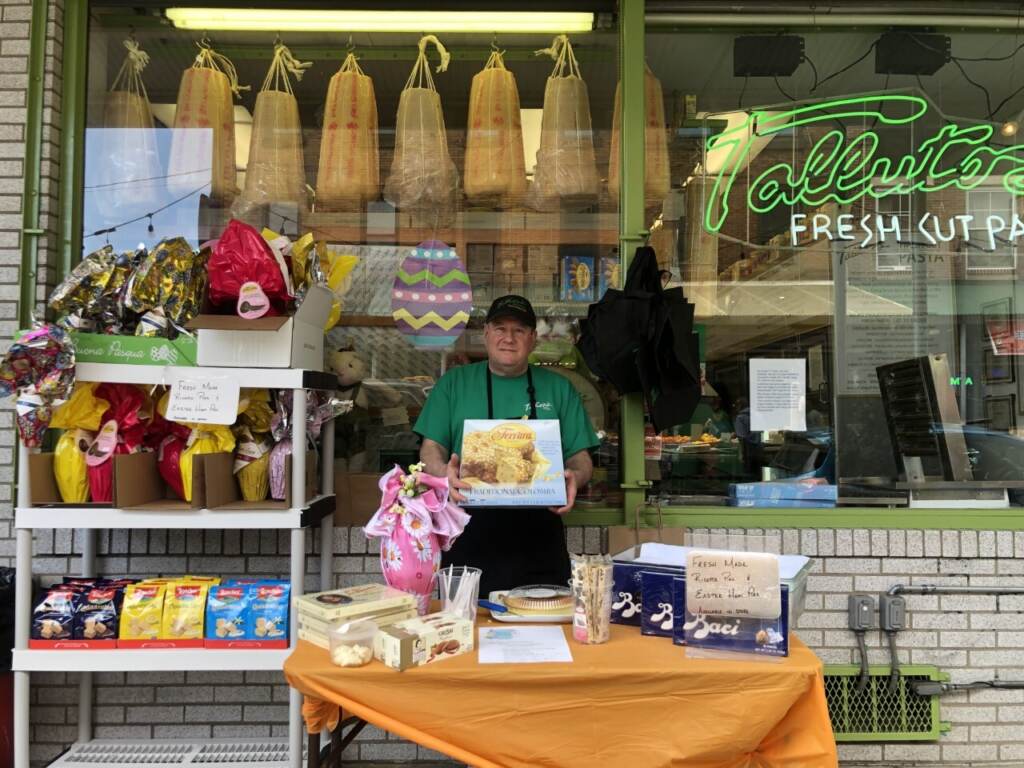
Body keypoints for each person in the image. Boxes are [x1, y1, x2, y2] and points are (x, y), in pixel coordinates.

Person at [415, 295, 600, 595]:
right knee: (466, 631)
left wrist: (574, 477)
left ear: (533, 338)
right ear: (486, 333)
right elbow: (429, 450)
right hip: (468, 531)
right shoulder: (453, 384)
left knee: (546, 631)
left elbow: (581, 457)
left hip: (540, 533)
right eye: (500, 328)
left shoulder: (559, 388)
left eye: (519, 330)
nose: (509, 338)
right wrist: (443, 475)